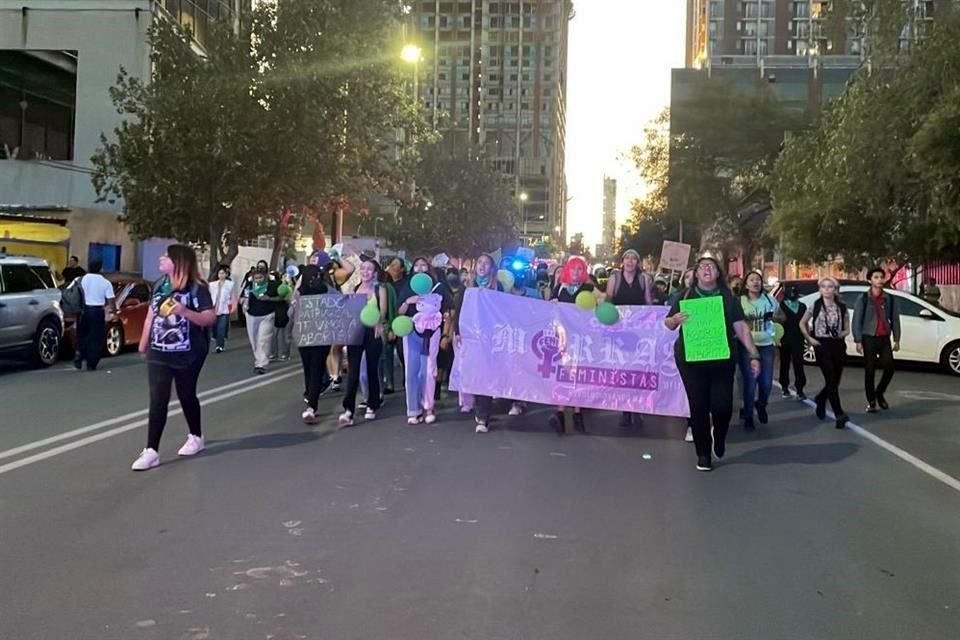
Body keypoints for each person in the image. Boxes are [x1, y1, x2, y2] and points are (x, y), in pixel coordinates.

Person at [665, 256, 760, 472]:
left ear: (718, 273)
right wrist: (674, 320)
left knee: (723, 406)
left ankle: (719, 434)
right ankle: (703, 453)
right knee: (698, 407)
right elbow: (668, 323)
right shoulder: (685, 296)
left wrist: (754, 355)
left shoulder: (729, 298)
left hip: (721, 361)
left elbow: (741, 329)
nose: (707, 269)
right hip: (691, 361)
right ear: (696, 273)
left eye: (712, 266)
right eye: (702, 266)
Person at [132, 244, 216, 471]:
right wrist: (143, 342)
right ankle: (151, 450)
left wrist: (184, 312)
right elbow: (151, 315)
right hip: (159, 352)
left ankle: (196, 436)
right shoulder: (160, 285)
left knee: (186, 393)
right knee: (157, 398)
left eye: (166, 257)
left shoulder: (197, 288)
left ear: (178, 262)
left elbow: (209, 317)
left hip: (188, 352)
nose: (161, 259)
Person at [296, 251, 355, 424]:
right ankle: (310, 395)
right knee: (309, 368)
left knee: (315, 368)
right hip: (305, 335)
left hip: (321, 335)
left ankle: (312, 406)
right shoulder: (300, 292)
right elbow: (293, 311)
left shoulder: (327, 290)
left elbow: (341, 303)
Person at [397, 257, 453, 425]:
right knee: (412, 371)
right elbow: (400, 312)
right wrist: (408, 301)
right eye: (416, 265)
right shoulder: (407, 286)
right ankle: (413, 409)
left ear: (429, 268)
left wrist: (446, 331)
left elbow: (448, 311)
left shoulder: (439, 287)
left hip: (432, 333)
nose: (420, 268)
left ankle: (428, 406)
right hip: (411, 332)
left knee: (428, 371)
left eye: (423, 265)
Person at [453, 254, 502, 433]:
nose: (482, 266)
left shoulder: (498, 287)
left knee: (486, 375)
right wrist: (457, 332)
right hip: (470, 337)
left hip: (490, 338)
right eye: (480, 262)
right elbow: (458, 311)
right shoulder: (467, 287)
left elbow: (504, 311)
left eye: (486, 264)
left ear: (491, 268)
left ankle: (483, 416)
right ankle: (478, 407)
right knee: (474, 374)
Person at [606, 249, 655, 427]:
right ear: (622, 262)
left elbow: (648, 301)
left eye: (634, 258)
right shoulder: (615, 279)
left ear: (638, 263)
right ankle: (625, 410)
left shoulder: (644, 280)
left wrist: (655, 317)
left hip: (639, 331)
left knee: (639, 369)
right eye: (627, 258)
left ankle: (638, 408)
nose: (630, 261)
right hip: (620, 330)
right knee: (623, 370)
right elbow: (608, 300)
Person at [549, 256, 595, 435]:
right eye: (573, 269)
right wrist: (553, 305)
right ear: (568, 270)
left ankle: (578, 414)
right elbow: (549, 310)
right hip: (563, 337)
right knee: (563, 375)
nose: (576, 272)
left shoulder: (588, 288)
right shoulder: (559, 287)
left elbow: (601, 303)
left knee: (579, 376)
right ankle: (559, 414)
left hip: (582, 338)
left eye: (579, 269)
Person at [339, 258, 387, 426]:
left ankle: (372, 404)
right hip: (355, 332)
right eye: (363, 268)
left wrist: (380, 324)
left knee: (372, 370)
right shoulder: (354, 289)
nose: (365, 271)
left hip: (372, 331)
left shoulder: (379, 289)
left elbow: (382, 313)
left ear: (374, 273)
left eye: (369, 269)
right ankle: (348, 410)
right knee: (354, 371)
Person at [799, 278, 850, 429]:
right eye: (824, 287)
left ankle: (821, 398)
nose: (827, 290)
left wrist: (842, 334)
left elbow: (847, 327)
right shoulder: (815, 305)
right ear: (820, 289)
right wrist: (809, 338)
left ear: (835, 289)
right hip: (822, 344)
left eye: (830, 287)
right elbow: (802, 322)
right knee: (831, 379)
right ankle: (839, 414)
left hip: (838, 345)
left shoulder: (842, 306)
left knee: (835, 381)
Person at [853, 267, 901, 413]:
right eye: (876, 277)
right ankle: (871, 401)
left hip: (884, 338)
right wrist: (858, 340)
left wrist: (897, 339)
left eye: (881, 277)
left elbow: (895, 319)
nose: (879, 280)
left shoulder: (890, 298)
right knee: (870, 370)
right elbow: (857, 320)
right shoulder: (863, 298)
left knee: (890, 367)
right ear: (870, 280)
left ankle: (879, 392)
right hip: (869, 337)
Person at [738, 271, 779, 431]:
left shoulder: (769, 299)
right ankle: (748, 415)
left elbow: (781, 316)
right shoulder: (740, 301)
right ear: (746, 284)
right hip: (747, 346)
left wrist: (774, 317)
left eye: (758, 280)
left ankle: (761, 404)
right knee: (750, 382)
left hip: (767, 345)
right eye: (752, 280)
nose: (755, 282)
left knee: (766, 383)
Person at [74, 260, 116, 372]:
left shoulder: (81, 279)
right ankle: (91, 363)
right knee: (95, 337)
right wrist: (114, 312)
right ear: (101, 269)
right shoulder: (105, 282)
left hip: (82, 310)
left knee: (82, 334)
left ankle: (79, 354)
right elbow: (111, 299)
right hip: (97, 311)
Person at [244, 267, 281, 374]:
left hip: (267, 314)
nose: (258, 280)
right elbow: (244, 296)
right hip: (252, 315)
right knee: (254, 339)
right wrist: (244, 303)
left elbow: (283, 297)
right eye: (256, 278)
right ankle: (258, 359)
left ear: (265, 276)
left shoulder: (274, 285)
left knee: (263, 339)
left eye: (260, 277)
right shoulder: (250, 285)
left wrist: (269, 298)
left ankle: (261, 364)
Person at [777, 285, 807, 400]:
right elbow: (777, 323)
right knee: (784, 364)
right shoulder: (781, 306)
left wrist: (807, 337)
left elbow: (805, 323)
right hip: (784, 339)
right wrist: (776, 338)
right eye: (791, 292)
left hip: (799, 339)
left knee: (799, 364)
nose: (793, 294)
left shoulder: (803, 307)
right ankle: (784, 387)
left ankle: (800, 389)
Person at [208, 265, 235, 353]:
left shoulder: (230, 284)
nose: (221, 275)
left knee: (221, 328)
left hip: (224, 309)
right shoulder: (212, 285)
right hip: (214, 309)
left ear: (226, 274)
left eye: (223, 273)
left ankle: (219, 346)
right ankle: (216, 338)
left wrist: (231, 305)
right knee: (214, 328)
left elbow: (232, 296)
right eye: (220, 273)